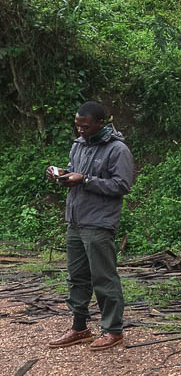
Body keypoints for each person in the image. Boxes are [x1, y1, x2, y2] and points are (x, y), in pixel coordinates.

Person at [45, 101, 133, 351]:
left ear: (100, 123)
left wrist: (84, 179)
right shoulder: (79, 145)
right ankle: (79, 327)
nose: (80, 130)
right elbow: (74, 172)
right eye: (77, 125)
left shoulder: (117, 149)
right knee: (77, 278)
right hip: (76, 220)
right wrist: (63, 174)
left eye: (85, 125)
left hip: (99, 223)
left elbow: (121, 185)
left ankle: (113, 330)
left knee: (103, 278)